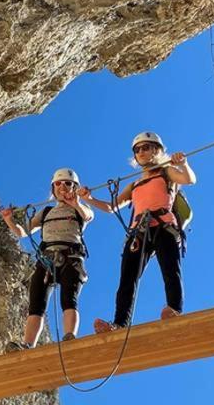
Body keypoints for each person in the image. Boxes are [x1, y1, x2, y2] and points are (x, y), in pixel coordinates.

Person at [78, 132, 196, 333]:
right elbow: (111, 207)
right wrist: (89, 198)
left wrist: (183, 164)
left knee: (170, 269)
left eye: (146, 147)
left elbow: (188, 179)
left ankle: (174, 309)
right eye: (137, 149)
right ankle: (119, 323)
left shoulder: (167, 172)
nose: (141, 152)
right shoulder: (135, 184)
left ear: (156, 150)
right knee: (127, 279)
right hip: (138, 232)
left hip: (163, 225)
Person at [1, 168, 94, 350]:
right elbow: (22, 232)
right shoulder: (45, 212)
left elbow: (88, 216)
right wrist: (9, 220)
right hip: (46, 259)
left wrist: (76, 202)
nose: (62, 187)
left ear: (75, 187)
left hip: (71, 257)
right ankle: (28, 344)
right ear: (53, 188)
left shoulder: (80, 209)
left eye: (68, 183)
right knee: (36, 304)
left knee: (69, 299)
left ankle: (69, 337)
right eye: (58, 184)